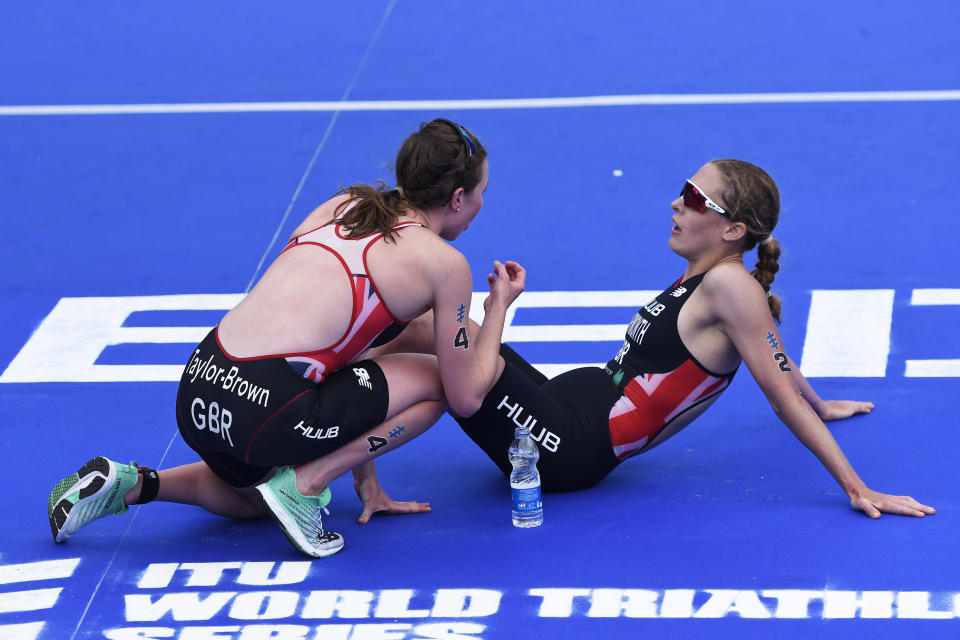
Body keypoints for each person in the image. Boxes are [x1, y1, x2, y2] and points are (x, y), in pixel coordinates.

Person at [46, 118, 526, 557]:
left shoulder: (349, 203)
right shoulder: (443, 264)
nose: (483, 203)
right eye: (484, 191)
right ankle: (308, 482)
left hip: (200, 385)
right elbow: (466, 396)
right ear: (458, 197)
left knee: (255, 502)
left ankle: (132, 484)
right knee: (440, 379)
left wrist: (368, 479)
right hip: (267, 405)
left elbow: (344, 344)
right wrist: (498, 306)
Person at [360, 158, 934, 519]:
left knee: (445, 355)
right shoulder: (714, 275)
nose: (676, 203)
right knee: (425, 331)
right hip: (569, 403)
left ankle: (317, 469)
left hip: (570, 449)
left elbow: (777, 391)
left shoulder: (731, 287)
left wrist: (858, 487)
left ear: (733, 231)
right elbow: (774, 351)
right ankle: (321, 433)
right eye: (684, 188)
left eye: (694, 200)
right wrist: (824, 402)